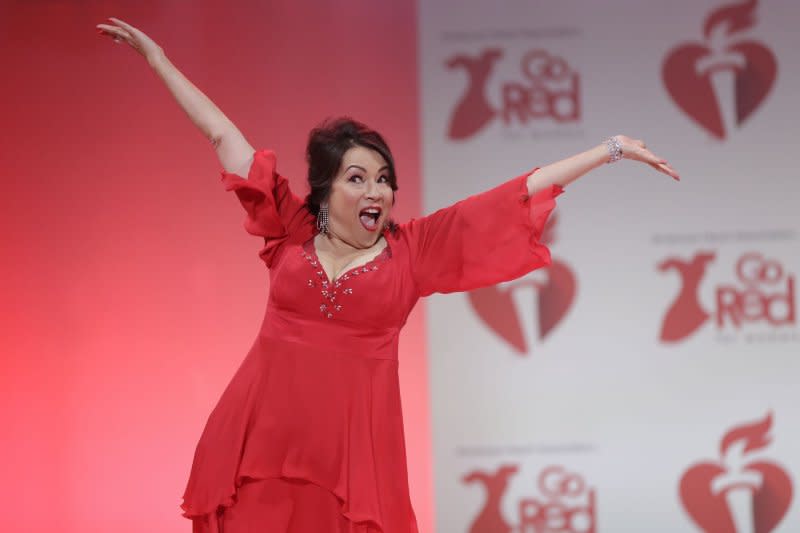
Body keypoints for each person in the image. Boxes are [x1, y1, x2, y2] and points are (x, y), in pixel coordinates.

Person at [97, 17, 679, 533]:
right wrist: (159, 60)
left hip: (348, 470)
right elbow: (224, 136)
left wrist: (610, 150)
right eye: (358, 178)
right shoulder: (290, 228)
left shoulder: (412, 252)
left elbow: (513, 196)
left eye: (384, 179)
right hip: (256, 451)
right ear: (325, 191)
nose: (376, 190)